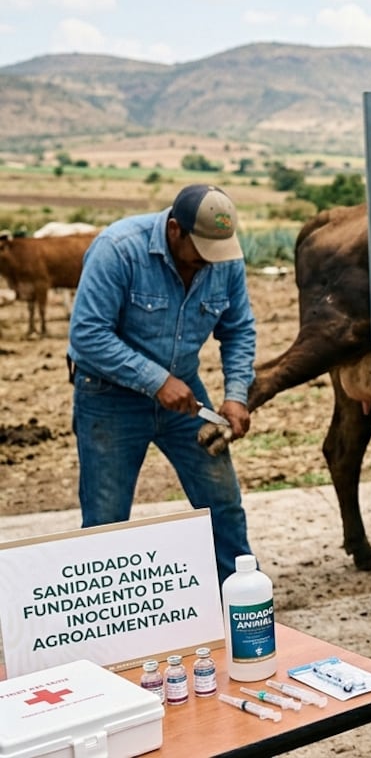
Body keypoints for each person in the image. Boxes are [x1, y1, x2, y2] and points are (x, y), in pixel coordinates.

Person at [68, 184, 257, 584]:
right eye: (201, 251)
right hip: (108, 397)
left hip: (184, 396)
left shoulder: (223, 259)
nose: (209, 263)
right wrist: (156, 381)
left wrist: (237, 396)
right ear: (175, 229)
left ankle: (239, 600)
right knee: (107, 518)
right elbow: (87, 335)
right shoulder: (118, 249)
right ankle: (106, 628)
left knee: (222, 503)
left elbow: (238, 330)